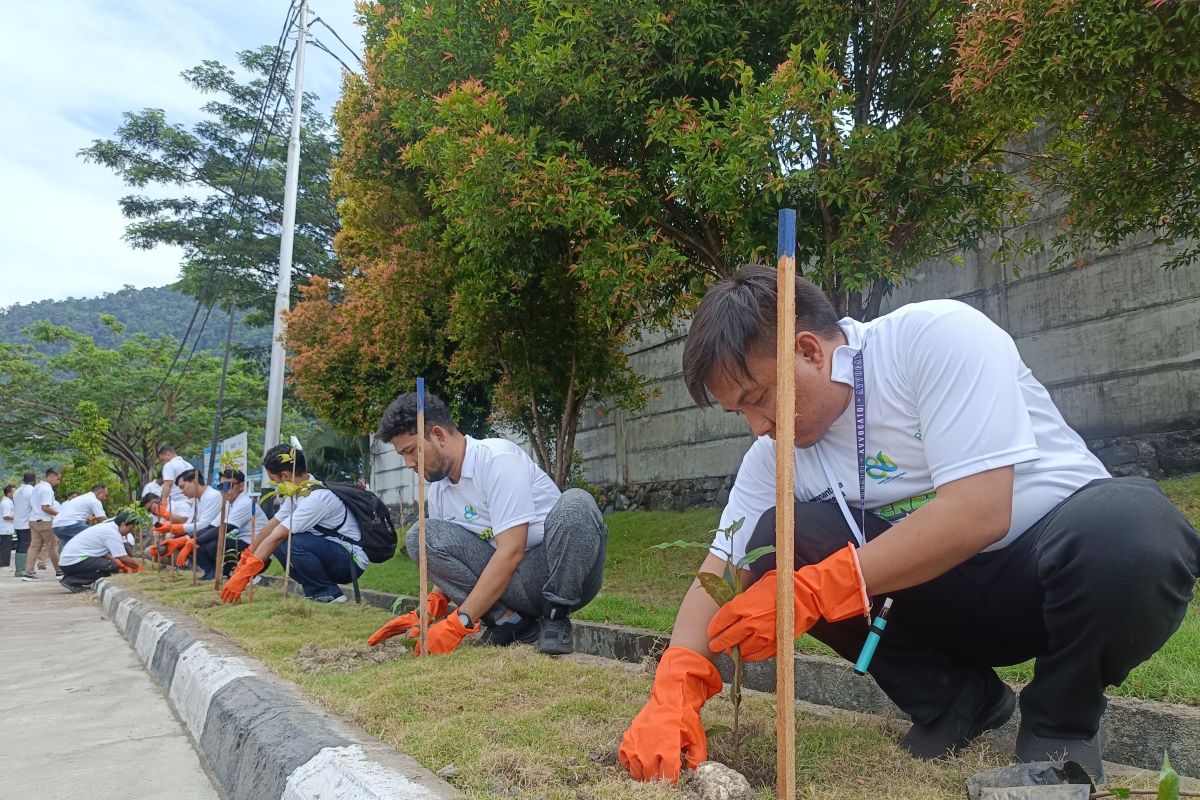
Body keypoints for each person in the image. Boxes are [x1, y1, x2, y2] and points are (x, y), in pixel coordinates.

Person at [618, 265, 1200, 784]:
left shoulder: (935, 338)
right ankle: (956, 701)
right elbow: (718, 568)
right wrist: (674, 690)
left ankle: (1062, 728)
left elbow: (980, 511)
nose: (756, 426)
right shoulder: (773, 458)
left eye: (758, 397)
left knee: (1134, 531)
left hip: (1048, 572)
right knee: (773, 544)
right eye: (738, 411)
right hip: (931, 603)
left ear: (810, 351)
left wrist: (819, 589)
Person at [366, 391, 607, 657]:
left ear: (438, 435)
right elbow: (451, 556)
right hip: (513, 586)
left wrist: (461, 622)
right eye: (403, 455)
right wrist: (431, 606)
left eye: (411, 451)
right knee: (421, 536)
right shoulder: (439, 490)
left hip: (558, 572)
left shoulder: (497, 461)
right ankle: (508, 623)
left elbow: (511, 551)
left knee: (576, 503)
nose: (409, 463)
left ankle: (556, 618)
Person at [221, 445, 366, 604]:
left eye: (275, 481)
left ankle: (328, 593)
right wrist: (247, 556)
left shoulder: (316, 498)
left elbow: (278, 535)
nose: (275, 485)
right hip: (330, 553)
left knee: (290, 541)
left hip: (349, 561)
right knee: (280, 542)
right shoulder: (298, 494)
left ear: (285, 476)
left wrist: (246, 573)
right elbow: (271, 525)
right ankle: (314, 593)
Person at [196, 468, 269, 581]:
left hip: (255, 549)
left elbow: (225, 528)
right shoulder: (229, 504)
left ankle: (233, 574)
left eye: (229, 486)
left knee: (212, 545)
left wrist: (195, 540)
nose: (225, 491)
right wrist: (188, 539)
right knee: (203, 541)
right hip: (242, 543)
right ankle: (213, 573)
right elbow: (212, 527)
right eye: (221, 487)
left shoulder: (244, 503)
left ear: (241, 486)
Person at [58, 511, 141, 592]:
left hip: (68, 561)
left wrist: (119, 563)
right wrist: (139, 568)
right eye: (130, 529)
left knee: (112, 565)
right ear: (123, 524)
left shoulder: (107, 527)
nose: (129, 532)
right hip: (73, 561)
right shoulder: (112, 533)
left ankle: (72, 578)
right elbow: (123, 558)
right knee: (112, 567)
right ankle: (72, 580)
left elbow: (102, 553)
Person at [23, 468, 62, 581]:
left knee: (34, 546)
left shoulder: (37, 487)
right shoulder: (47, 489)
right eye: (58, 479)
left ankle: (29, 572)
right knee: (52, 546)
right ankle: (59, 571)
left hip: (34, 519)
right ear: (51, 476)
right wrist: (59, 514)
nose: (58, 482)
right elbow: (45, 507)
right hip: (44, 520)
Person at [155, 445, 193, 519]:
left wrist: (163, 500)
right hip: (191, 502)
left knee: (168, 524)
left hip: (177, 502)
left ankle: (155, 529)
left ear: (168, 454)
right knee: (187, 525)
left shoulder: (169, 465)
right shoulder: (189, 465)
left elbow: (168, 483)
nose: (163, 462)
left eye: (162, 460)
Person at [11, 472, 35, 577]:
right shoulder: (32, 491)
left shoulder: (17, 491)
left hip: (17, 522)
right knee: (25, 545)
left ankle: (20, 569)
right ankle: (21, 570)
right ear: (34, 480)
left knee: (21, 544)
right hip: (26, 522)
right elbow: (34, 505)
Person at [1, 485, 14, 568]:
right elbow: (6, 516)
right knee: (5, 548)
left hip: (7, 528)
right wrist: (17, 517)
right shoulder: (6, 502)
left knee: (6, 547)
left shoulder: (8, 501)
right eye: (13, 492)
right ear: (9, 493)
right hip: (5, 529)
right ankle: (3, 563)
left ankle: (4, 563)